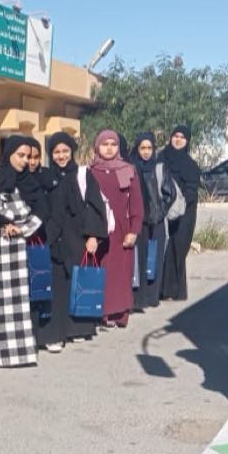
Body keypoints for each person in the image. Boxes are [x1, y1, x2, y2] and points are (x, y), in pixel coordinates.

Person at [42, 132, 108, 350]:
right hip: (53, 237)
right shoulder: (45, 177)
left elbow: (95, 204)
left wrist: (93, 235)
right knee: (56, 286)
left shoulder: (82, 175)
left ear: (72, 152)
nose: (61, 156)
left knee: (76, 280)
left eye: (65, 151)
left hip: (77, 236)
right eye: (56, 152)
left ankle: (78, 329)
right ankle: (54, 334)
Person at [0, 136, 42, 366]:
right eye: (20, 155)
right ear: (8, 153)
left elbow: (41, 210)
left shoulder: (30, 182)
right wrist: (15, 218)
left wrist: (21, 227)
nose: (25, 160)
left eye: (28, 156)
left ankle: (21, 353)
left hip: (20, 244)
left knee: (19, 300)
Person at [89, 130, 143, 328]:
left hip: (122, 230)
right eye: (105, 144)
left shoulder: (128, 170)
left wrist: (134, 230)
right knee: (101, 270)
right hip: (98, 229)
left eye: (113, 144)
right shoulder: (90, 172)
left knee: (120, 273)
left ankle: (119, 313)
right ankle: (100, 313)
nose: (109, 148)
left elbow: (136, 204)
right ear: (97, 147)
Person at [17, 136, 60, 349]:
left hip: (42, 239)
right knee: (23, 291)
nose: (31, 162)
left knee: (41, 286)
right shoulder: (12, 179)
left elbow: (53, 210)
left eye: (35, 157)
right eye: (27, 157)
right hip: (19, 242)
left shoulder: (48, 178)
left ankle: (45, 335)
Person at [131, 132, 174, 310]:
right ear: (137, 149)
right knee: (139, 259)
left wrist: (159, 212)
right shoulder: (132, 168)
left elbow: (170, 193)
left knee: (155, 258)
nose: (146, 152)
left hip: (156, 221)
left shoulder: (160, 167)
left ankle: (152, 296)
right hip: (139, 221)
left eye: (149, 148)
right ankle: (138, 298)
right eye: (143, 148)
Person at [159, 125, 202, 301]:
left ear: (187, 141)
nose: (178, 139)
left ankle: (174, 290)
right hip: (161, 211)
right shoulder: (161, 158)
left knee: (177, 249)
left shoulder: (191, 166)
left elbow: (191, 191)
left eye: (182, 137)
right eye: (175, 136)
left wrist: (177, 204)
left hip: (183, 214)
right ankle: (159, 290)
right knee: (162, 249)